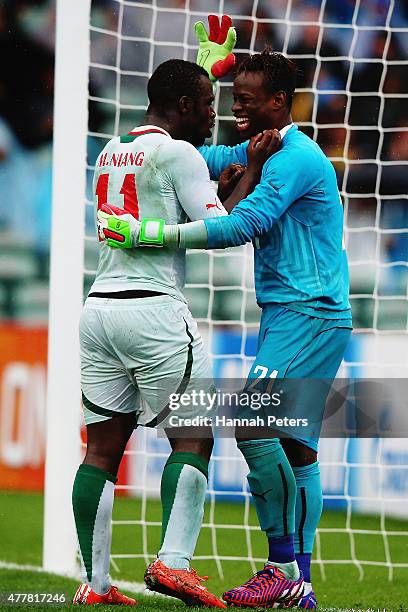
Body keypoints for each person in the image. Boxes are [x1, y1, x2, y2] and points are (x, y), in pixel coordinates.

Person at [100, 44, 353, 609]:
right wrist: (195, 87)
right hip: (290, 313)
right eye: (232, 100)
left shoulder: (295, 159)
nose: (237, 110)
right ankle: (299, 583)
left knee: (251, 424)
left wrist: (156, 235)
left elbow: (245, 223)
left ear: (279, 103)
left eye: (245, 101)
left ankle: (283, 568)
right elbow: (194, 155)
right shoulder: (262, 145)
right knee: (297, 448)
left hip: (310, 312)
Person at [73, 57, 277, 607]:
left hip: (98, 309)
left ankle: (93, 586)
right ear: (184, 105)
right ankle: (173, 564)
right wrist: (252, 173)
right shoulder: (180, 151)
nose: (214, 114)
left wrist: (226, 185)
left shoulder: (111, 151)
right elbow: (221, 230)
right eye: (208, 104)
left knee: (101, 452)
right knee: (194, 438)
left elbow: (175, 211)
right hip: (154, 310)